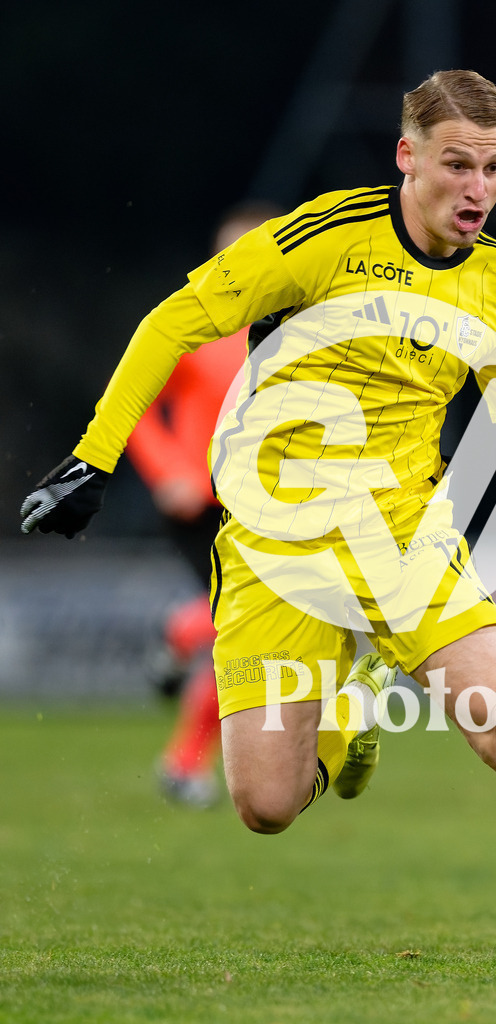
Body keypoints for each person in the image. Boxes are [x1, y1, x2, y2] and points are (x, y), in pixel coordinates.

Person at [20, 70, 496, 967]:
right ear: (407, 156)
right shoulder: (320, 241)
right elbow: (172, 322)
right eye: (458, 165)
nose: (478, 190)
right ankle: (351, 719)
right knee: (265, 806)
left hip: (406, 538)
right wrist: (94, 459)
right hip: (279, 546)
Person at [125, 201, 284, 808]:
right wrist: (171, 472)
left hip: (271, 507)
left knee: (239, 633)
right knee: (238, 627)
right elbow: (136, 403)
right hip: (204, 504)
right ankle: (184, 758)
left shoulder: (304, 328)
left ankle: (180, 640)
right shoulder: (195, 325)